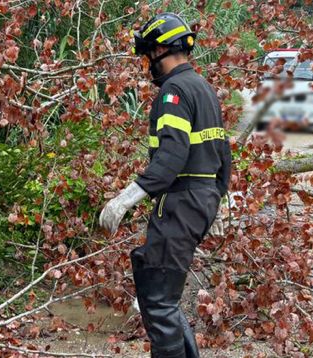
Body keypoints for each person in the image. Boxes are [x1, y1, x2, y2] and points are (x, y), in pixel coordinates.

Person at [98, 13, 230, 358]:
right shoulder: (204, 89)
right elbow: (223, 158)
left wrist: (126, 199)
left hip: (181, 203)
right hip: (199, 201)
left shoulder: (174, 90)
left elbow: (171, 156)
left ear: (160, 50)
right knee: (160, 292)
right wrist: (214, 201)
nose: (148, 64)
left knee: (157, 301)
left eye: (148, 55)